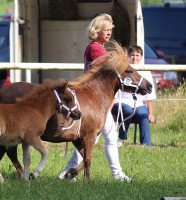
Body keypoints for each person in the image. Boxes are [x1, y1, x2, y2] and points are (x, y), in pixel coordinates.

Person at [58, 13, 131, 182]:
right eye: (106, 30)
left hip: (95, 99)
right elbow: (110, 69)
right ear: (97, 30)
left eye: (110, 30)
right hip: (95, 100)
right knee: (107, 139)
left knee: (91, 139)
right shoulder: (96, 49)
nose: (109, 32)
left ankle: (67, 172)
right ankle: (117, 174)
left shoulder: (97, 47)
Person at [112, 45, 156, 147]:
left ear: (141, 57)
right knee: (127, 110)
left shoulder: (146, 71)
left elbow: (149, 96)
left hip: (138, 103)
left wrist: (150, 113)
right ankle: (121, 138)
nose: (135, 58)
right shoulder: (122, 69)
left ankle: (146, 145)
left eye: (137, 55)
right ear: (128, 56)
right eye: (132, 55)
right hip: (120, 102)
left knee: (143, 115)